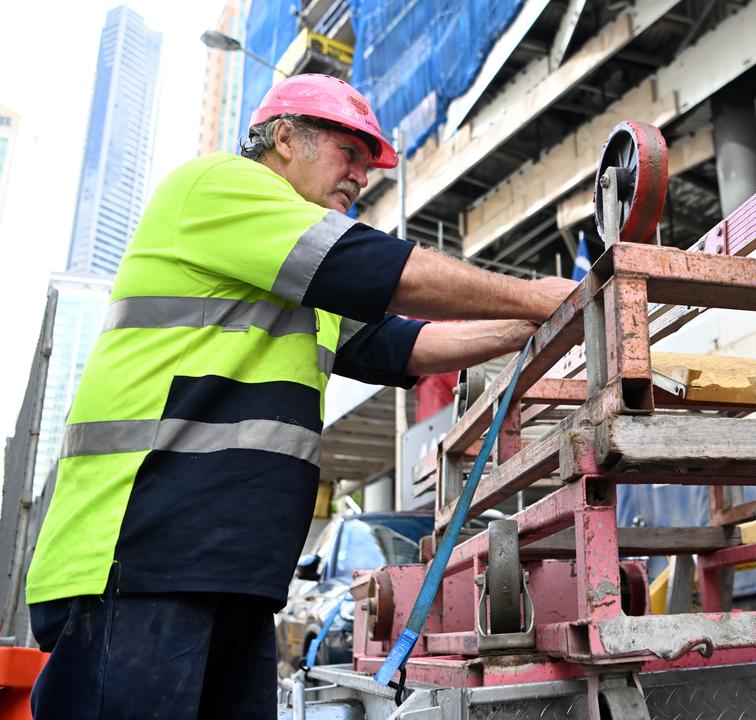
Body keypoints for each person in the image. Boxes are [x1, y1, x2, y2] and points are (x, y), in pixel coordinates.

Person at [24, 74, 577, 718]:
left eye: (367, 168)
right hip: (139, 555)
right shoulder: (218, 188)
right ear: (284, 139)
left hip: (235, 570)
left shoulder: (295, 276)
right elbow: (386, 274)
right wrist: (543, 293)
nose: (360, 179)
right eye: (350, 155)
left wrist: (538, 322)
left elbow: (405, 346)